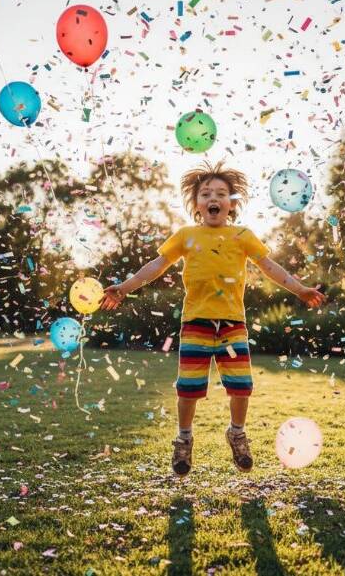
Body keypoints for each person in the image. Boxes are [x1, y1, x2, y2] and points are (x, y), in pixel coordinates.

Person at [100, 161, 325, 477]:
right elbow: (156, 265)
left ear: (231, 203)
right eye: (206, 193)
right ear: (196, 204)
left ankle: (236, 432)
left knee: (241, 387)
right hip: (196, 324)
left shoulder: (243, 236)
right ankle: (184, 439)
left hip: (232, 325)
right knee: (188, 389)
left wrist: (300, 289)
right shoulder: (186, 235)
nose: (213, 197)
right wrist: (124, 287)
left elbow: (270, 266)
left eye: (221, 193)